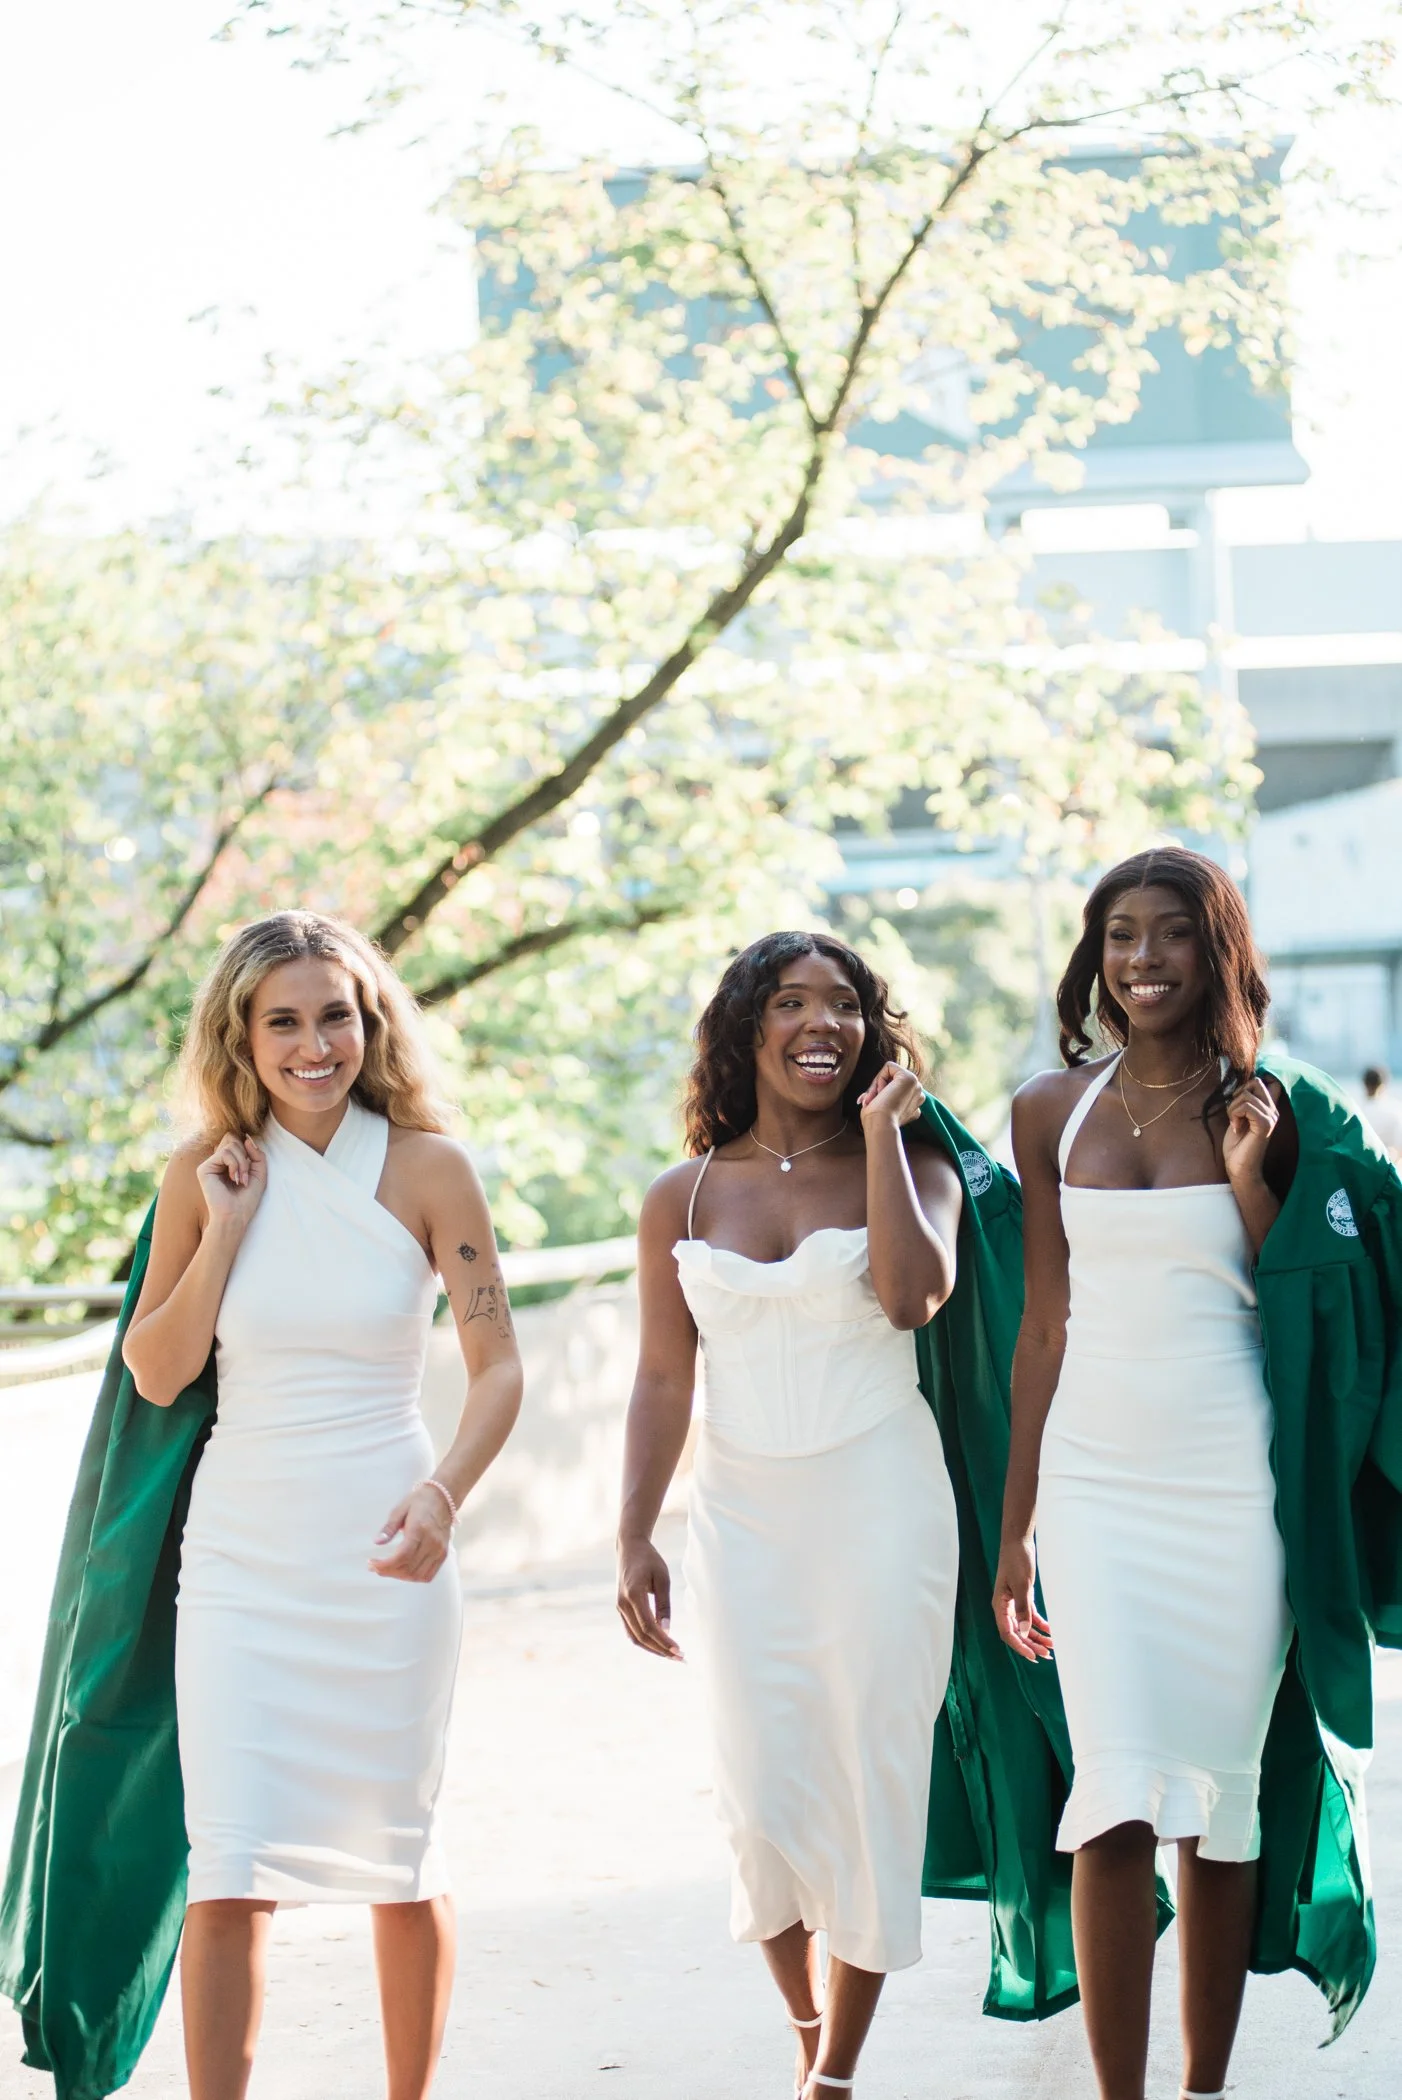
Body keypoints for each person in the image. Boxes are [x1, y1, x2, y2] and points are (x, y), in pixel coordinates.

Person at [993, 846, 1402, 2100]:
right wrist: (1013, 1532)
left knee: (1220, 1804)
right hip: (1092, 1482)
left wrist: (1247, 1182)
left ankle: (1202, 2089)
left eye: (1171, 932)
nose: (1143, 958)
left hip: (1236, 1482)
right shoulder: (1047, 1110)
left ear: (1216, 950)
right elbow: (1041, 1327)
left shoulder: (1282, 1108)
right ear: (1095, 955)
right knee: (1113, 1791)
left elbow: (1319, 1311)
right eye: (1120, 934)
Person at [112, 911, 523, 2100]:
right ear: (240, 1037)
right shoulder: (202, 1176)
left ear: (369, 1022)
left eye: (334, 1016)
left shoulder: (433, 1169)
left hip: (391, 1545)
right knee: (228, 1862)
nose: (313, 1045)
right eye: (282, 1022)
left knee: (402, 1851)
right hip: (241, 1563)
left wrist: (442, 1497)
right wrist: (227, 1228)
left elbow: (499, 1367)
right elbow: (157, 1371)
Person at [616, 931, 967, 2099]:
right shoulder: (680, 1195)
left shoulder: (915, 1165)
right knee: (758, 1790)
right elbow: (661, 1376)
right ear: (745, 1028)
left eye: (845, 1004)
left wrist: (881, 1137)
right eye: (789, 1002)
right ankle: (805, 2026)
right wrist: (633, 1531)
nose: (822, 1023)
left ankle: (834, 2077)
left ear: (872, 1032)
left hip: (882, 1502)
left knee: (869, 1770)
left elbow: (913, 1299)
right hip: (741, 1516)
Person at [1361, 1065, 1402, 1159]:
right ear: (1384, 1084)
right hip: (1389, 1162)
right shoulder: (1396, 1109)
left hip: (1364, 1162)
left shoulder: (1358, 1110)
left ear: (1365, 1084)